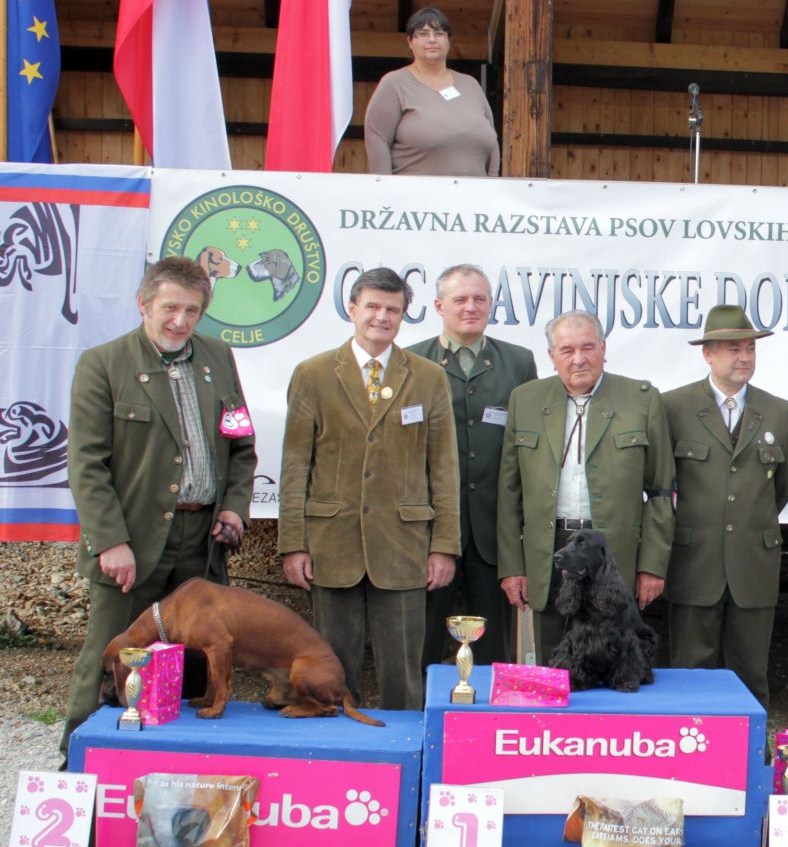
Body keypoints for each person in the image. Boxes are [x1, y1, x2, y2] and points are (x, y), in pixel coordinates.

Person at [61, 257, 256, 758]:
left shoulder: (218, 357)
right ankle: (78, 767)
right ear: (143, 304)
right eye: (170, 307)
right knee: (110, 656)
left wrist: (234, 508)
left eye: (192, 310)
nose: (180, 320)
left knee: (195, 666)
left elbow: (241, 444)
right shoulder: (103, 364)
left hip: (202, 542)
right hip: (133, 544)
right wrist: (110, 541)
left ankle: (183, 766)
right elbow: (86, 464)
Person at [279, 267, 461, 710]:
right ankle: (337, 743)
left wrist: (444, 546)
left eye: (392, 309)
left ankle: (406, 744)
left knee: (403, 670)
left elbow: (443, 469)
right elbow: (296, 465)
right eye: (373, 306)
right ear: (352, 309)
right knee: (332, 670)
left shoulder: (429, 378)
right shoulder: (312, 374)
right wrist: (293, 544)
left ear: (403, 316)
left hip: (403, 546)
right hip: (331, 544)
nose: (382, 316)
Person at [497, 310, 675, 661]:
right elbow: (508, 493)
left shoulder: (641, 399)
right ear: (552, 356)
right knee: (553, 667)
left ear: (604, 349)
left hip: (612, 554)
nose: (578, 359)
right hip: (549, 552)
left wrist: (652, 565)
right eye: (567, 350)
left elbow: (661, 491)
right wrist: (513, 567)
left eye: (588, 347)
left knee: (612, 660)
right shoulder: (525, 400)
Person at [662, 306, 788, 707]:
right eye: (734, 349)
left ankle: (750, 745)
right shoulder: (673, 407)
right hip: (694, 562)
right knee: (689, 676)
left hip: (753, 565)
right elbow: (661, 485)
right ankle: (689, 746)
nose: (745, 357)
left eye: (750, 349)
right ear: (708, 354)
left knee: (751, 676)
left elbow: (782, 487)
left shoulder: (779, 412)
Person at [405, 264, 537, 669]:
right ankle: (419, 705)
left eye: (480, 299)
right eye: (460, 299)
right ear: (438, 306)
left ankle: (491, 709)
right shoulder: (411, 361)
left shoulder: (518, 362)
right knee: (421, 641)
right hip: (429, 531)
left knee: (494, 647)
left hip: (493, 531)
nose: (471, 307)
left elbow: (528, 448)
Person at [365, 7, 500, 177]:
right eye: (423, 34)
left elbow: (492, 143)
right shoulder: (394, 83)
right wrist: (384, 187)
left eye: (439, 33)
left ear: (449, 41)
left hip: (476, 193)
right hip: (413, 193)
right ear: (410, 42)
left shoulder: (471, 85)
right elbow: (377, 139)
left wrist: (492, 185)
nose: (432, 39)